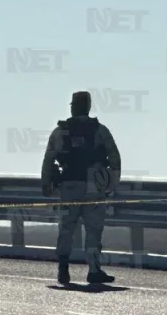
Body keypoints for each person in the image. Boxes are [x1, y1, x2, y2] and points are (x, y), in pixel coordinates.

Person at [41, 91, 122, 287]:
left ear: (73, 107)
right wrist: (111, 183)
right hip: (94, 184)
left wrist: (46, 184)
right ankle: (94, 270)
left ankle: (63, 268)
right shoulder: (100, 130)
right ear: (88, 107)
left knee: (67, 227)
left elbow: (49, 159)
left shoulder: (60, 131)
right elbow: (115, 159)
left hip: (69, 184)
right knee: (93, 230)